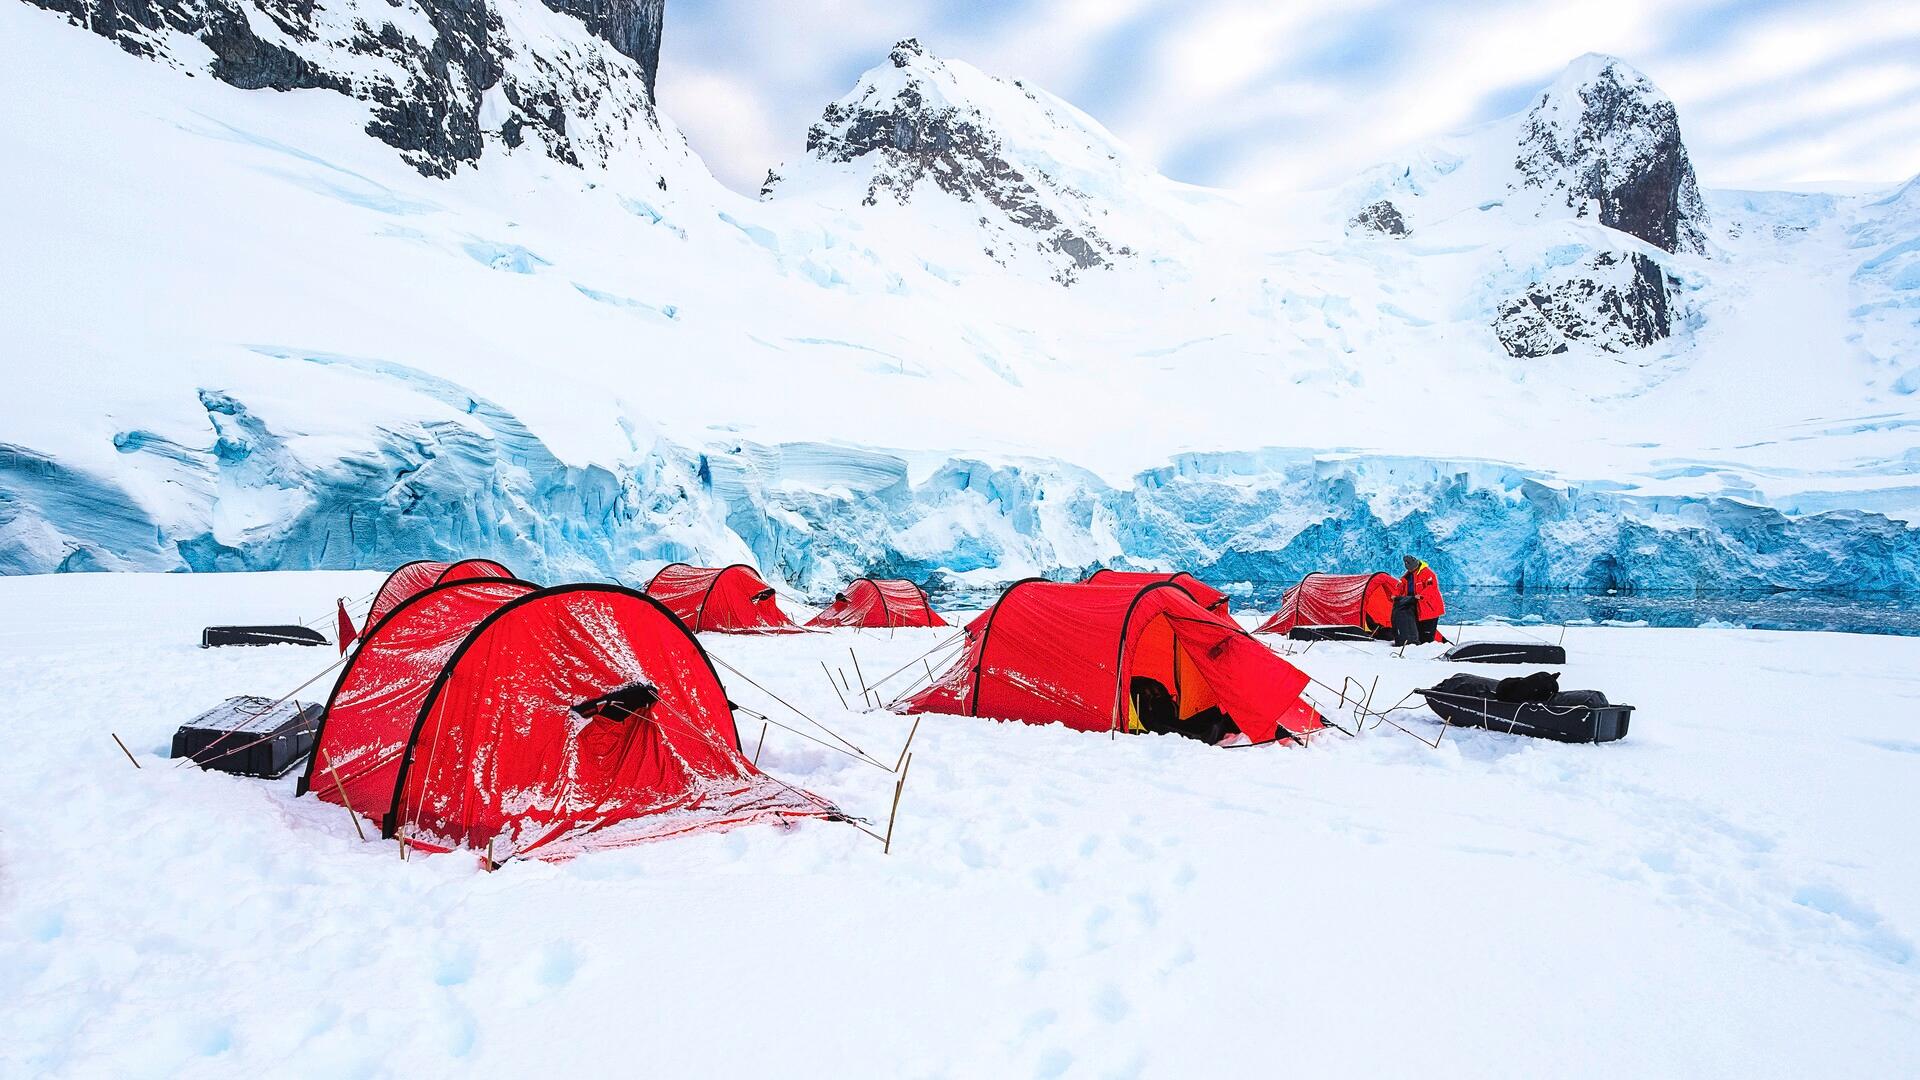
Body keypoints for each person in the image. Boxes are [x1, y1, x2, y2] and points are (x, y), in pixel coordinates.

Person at [1390, 554, 1445, 644]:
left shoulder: (1427, 573)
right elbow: (1400, 586)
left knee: (1427, 635)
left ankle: (1428, 649)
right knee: (1418, 632)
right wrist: (1395, 595)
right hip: (1416, 608)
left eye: (1411, 568)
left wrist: (1422, 595)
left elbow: (1431, 587)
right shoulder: (1407, 576)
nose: (1410, 570)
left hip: (1429, 608)